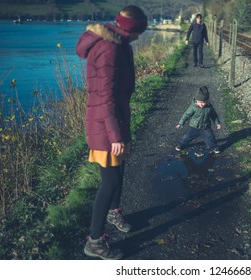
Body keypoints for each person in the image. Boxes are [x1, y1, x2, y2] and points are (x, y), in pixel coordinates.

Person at [75, 5, 147, 260]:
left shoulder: (116, 43)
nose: (140, 37)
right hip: (106, 125)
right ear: (132, 29)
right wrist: (115, 135)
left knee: (119, 171)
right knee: (110, 180)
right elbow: (105, 97)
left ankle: (114, 212)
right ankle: (94, 241)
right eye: (140, 31)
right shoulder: (109, 49)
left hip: (114, 120)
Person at [175, 86, 221, 153]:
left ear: (207, 101)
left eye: (203, 102)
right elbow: (186, 114)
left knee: (210, 138)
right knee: (187, 137)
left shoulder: (209, 107)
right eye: (199, 102)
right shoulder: (193, 107)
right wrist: (181, 123)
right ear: (196, 101)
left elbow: (214, 116)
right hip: (194, 127)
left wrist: (217, 123)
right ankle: (180, 145)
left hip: (205, 127)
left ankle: (214, 147)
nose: (201, 104)